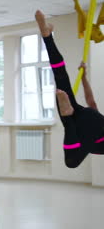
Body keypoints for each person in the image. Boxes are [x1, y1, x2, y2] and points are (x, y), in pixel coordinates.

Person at [35, 10, 104, 168]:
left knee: (61, 77)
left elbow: (91, 102)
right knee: (71, 162)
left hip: (87, 115)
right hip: (87, 127)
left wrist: (84, 78)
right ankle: (67, 115)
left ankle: (47, 36)